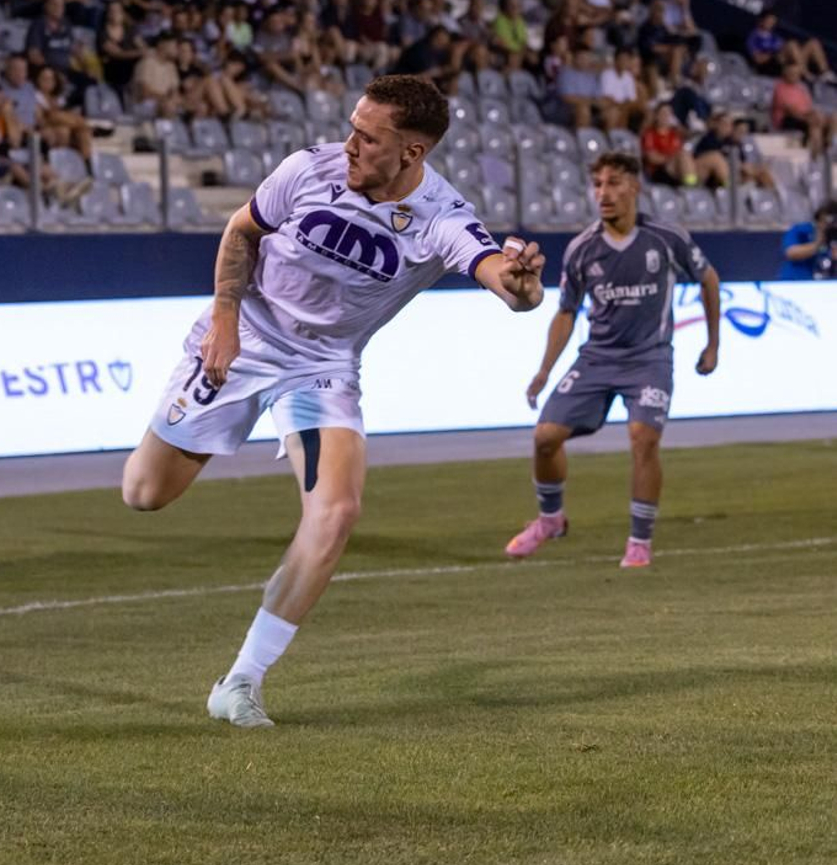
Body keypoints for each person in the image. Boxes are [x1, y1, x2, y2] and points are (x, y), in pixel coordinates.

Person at [120, 75, 548, 728]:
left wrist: (521, 287)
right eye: (352, 126)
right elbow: (241, 231)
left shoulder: (440, 216)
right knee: (144, 492)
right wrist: (224, 320)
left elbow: (501, 279)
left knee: (338, 510)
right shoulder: (306, 170)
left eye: (367, 137)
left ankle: (240, 681)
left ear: (412, 153)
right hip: (245, 337)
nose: (349, 144)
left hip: (321, 368)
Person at [509, 152, 720, 569]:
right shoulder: (582, 248)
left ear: (635, 187)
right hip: (598, 359)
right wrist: (544, 369)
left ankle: (639, 542)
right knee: (544, 437)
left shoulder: (666, 237)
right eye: (598, 184)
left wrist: (713, 345)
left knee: (643, 438)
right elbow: (567, 310)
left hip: (649, 358)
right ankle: (551, 520)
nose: (604, 193)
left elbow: (708, 278)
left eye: (614, 183)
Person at [778, 199, 837, 280]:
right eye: (824, 219)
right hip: (796, 281)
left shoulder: (834, 234)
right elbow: (791, 253)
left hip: (826, 283)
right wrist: (818, 243)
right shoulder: (801, 230)